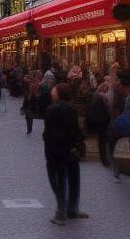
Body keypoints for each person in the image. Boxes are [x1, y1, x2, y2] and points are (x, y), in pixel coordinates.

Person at [43, 83, 88, 225]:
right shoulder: (72, 108)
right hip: (70, 148)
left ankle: (61, 212)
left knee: (58, 180)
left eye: (54, 90)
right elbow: (75, 129)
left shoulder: (51, 109)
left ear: (58, 93)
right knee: (74, 179)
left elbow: (48, 132)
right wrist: (77, 144)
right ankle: (72, 209)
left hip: (55, 149)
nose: (52, 91)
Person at [86, 82, 111, 167]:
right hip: (102, 121)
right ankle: (105, 159)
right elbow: (106, 110)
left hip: (96, 121)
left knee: (102, 139)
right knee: (102, 139)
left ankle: (104, 158)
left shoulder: (95, 96)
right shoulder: (102, 97)